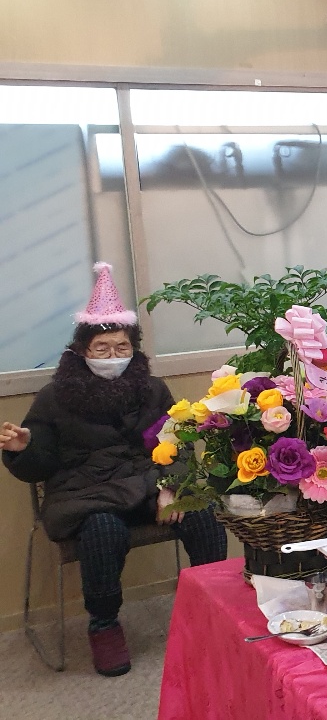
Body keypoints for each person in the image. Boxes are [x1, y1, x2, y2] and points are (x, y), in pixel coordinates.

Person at [1, 263, 227, 677]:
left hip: (148, 488)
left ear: (133, 348)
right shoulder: (55, 397)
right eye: (102, 348)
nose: (113, 356)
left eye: (121, 347)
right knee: (103, 530)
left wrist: (171, 487)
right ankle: (103, 625)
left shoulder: (152, 389)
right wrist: (24, 447)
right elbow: (40, 465)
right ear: (82, 351)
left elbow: (175, 441)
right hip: (87, 496)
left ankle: (212, 608)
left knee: (201, 513)